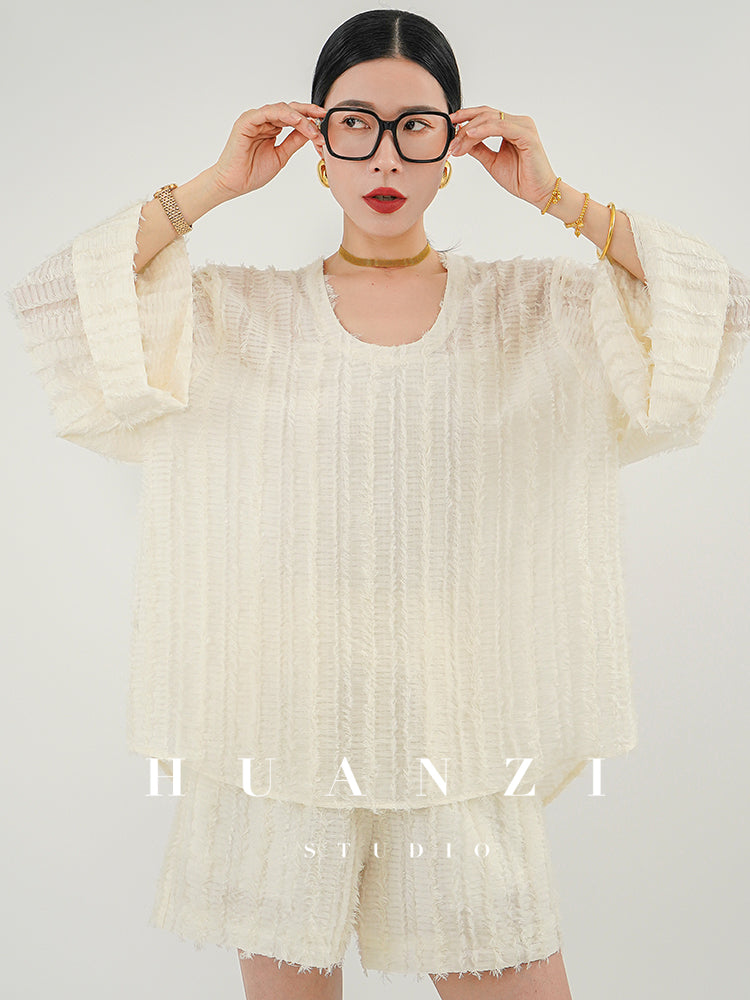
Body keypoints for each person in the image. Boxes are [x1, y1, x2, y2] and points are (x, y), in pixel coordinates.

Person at [7, 7, 750, 1000]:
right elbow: (57, 299)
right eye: (355, 124)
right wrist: (215, 184)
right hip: (279, 736)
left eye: (416, 126)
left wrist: (556, 196)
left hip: (458, 738)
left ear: (456, 147)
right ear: (317, 143)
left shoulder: (534, 310)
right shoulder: (235, 315)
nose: (386, 155)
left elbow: (715, 304)